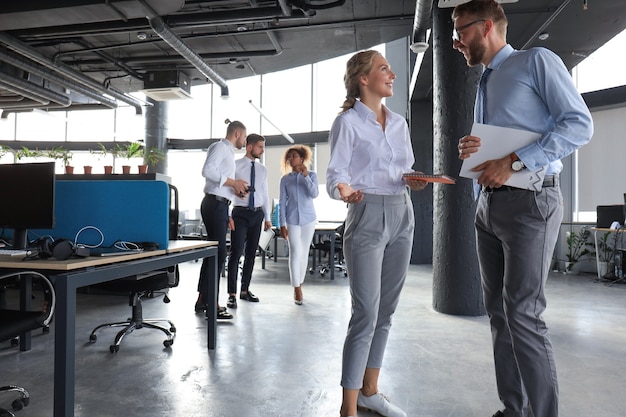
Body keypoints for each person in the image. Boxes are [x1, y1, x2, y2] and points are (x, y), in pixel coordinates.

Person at [453, 2, 593, 417]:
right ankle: (514, 409)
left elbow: (579, 124)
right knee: (498, 313)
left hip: (532, 202)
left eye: (460, 31)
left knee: (524, 315)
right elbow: (500, 142)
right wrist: (473, 149)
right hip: (488, 204)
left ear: (487, 26)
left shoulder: (536, 61)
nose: (456, 41)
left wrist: (513, 161)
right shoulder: (485, 81)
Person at [326, 50, 427, 417]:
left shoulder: (399, 123)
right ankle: (348, 408)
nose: (392, 74)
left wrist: (415, 181)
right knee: (365, 312)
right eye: (384, 68)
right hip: (366, 212)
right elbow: (336, 173)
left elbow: (405, 169)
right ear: (363, 79)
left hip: (403, 212)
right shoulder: (348, 122)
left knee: (386, 311)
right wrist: (343, 190)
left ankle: (370, 391)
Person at [195, 119, 250, 320]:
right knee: (218, 254)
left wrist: (231, 200)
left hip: (219, 205)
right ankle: (212, 302)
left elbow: (221, 186)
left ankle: (203, 299)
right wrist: (233, 182)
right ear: (236, 134)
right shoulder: (220, 147)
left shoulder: (227, 152)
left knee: (214, 253)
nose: (244, 141)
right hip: (213, 204)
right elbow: (207, 171)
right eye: (244, 137)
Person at [226, 134, 273, 309]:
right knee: (236, 252)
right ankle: (231, 294)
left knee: (251, 254)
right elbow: (227, 187)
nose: (262, 150)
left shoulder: (263, 169)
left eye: (263, 147)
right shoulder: (235, 166)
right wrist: (235, 193)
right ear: (250, 147)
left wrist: (267, 218)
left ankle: (245, 290)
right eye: (260, 147)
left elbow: (265, 193)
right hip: (239, 213)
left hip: (257, 214)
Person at [278, 145, 319, 305]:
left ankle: (299, 281)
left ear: (302, 158)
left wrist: (305, 176)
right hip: (292, 219)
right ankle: (297, 288)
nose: (291, 159)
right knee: (295, 252)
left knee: (303, 252)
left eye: (294, 156)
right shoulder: (285, 179)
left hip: (309, 219)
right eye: (289, 156)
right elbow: (282, 202)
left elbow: (314, 194)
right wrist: (281, 224)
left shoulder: (312, 176)